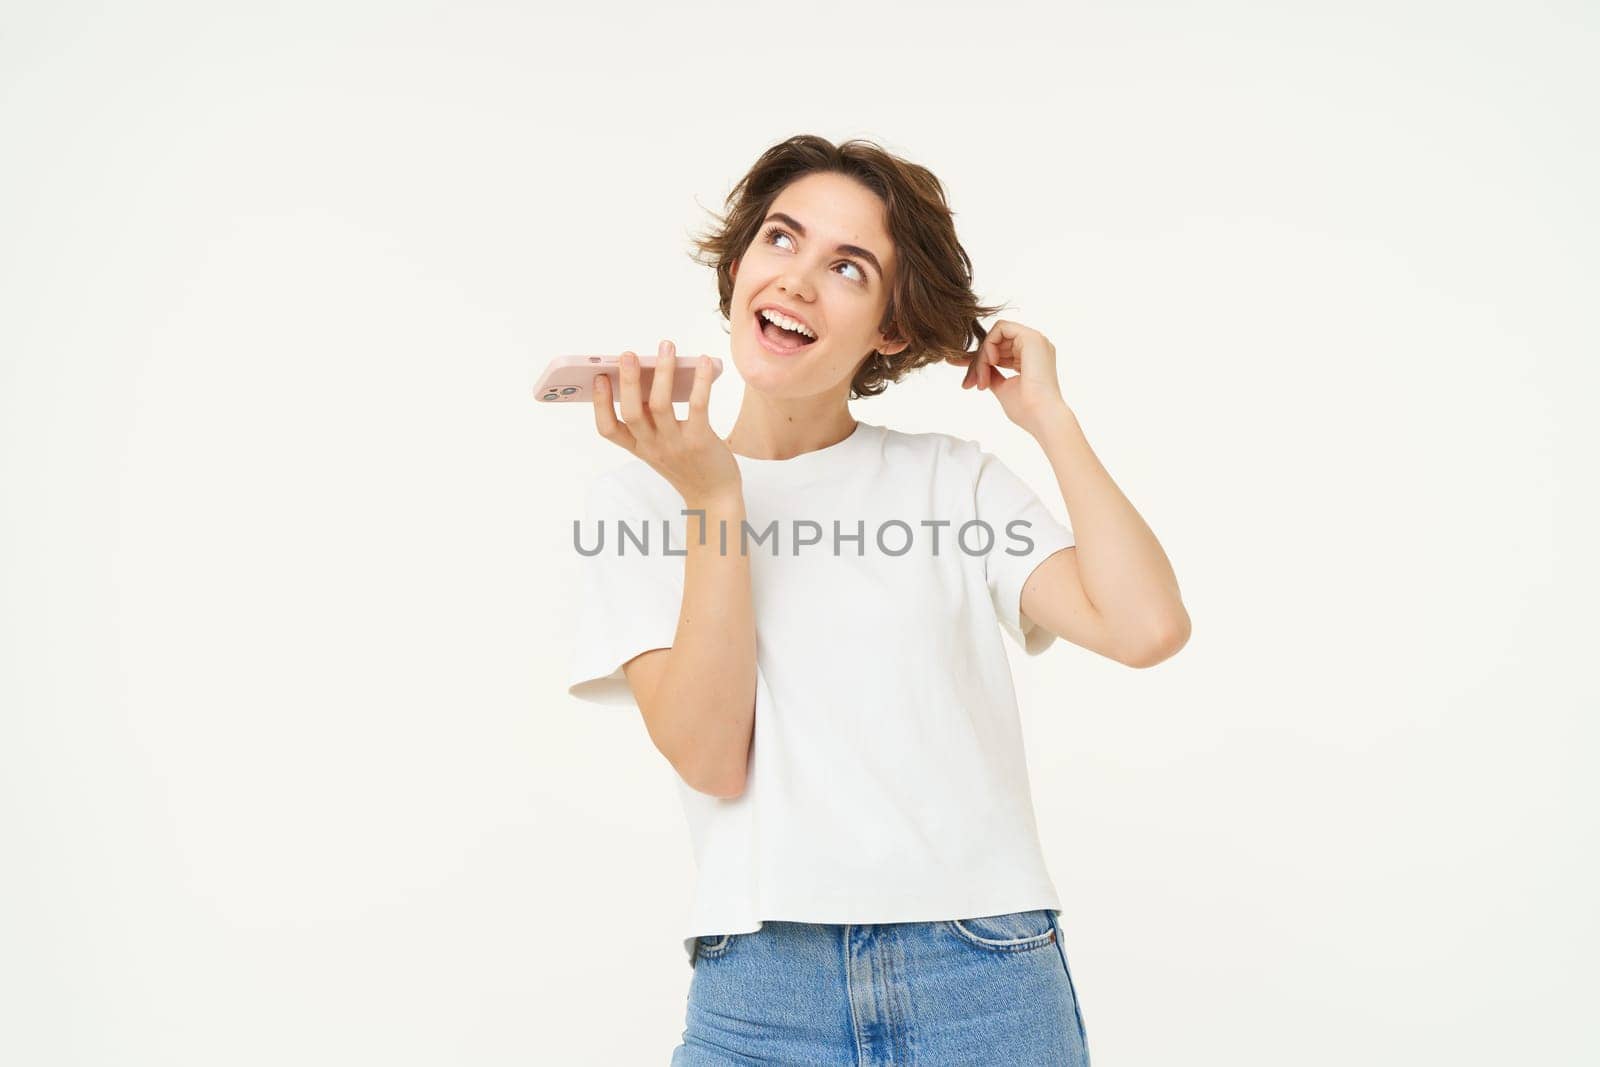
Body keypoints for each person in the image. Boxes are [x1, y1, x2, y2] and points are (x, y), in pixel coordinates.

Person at [567, 134, 1190, 1065]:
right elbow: (709, 755)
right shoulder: (649, 493)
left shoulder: (951, 484)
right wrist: (715, 499)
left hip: (982, 974)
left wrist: (1048, 418)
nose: (796, 282)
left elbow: (1146, 628)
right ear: (738, 266)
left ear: (890, 331)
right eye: (780, 240)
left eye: (847, 267)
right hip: (761, 988)